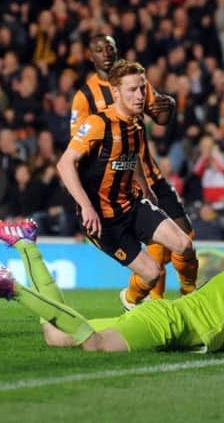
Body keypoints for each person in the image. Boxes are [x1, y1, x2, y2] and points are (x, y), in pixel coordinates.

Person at [0, 219, 224, 357]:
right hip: (166, 324)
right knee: (94, 344)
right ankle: (13, 288)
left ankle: (25, 243)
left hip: (162, 317)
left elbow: (223, 342)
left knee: (55, 335)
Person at [57, 60, 197, 310]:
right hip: (103, 219)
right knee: (152, 274)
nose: (141, 95)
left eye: (142, 88)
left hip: (131, 204)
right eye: (132, 89)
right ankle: (130, 300)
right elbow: (64, 164)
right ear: (116, 92)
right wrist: (86, 207)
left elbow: (132, 157)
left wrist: (146, 188)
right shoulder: (98, 124)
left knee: (185, 245)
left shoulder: (136, 123)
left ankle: (191, 297)